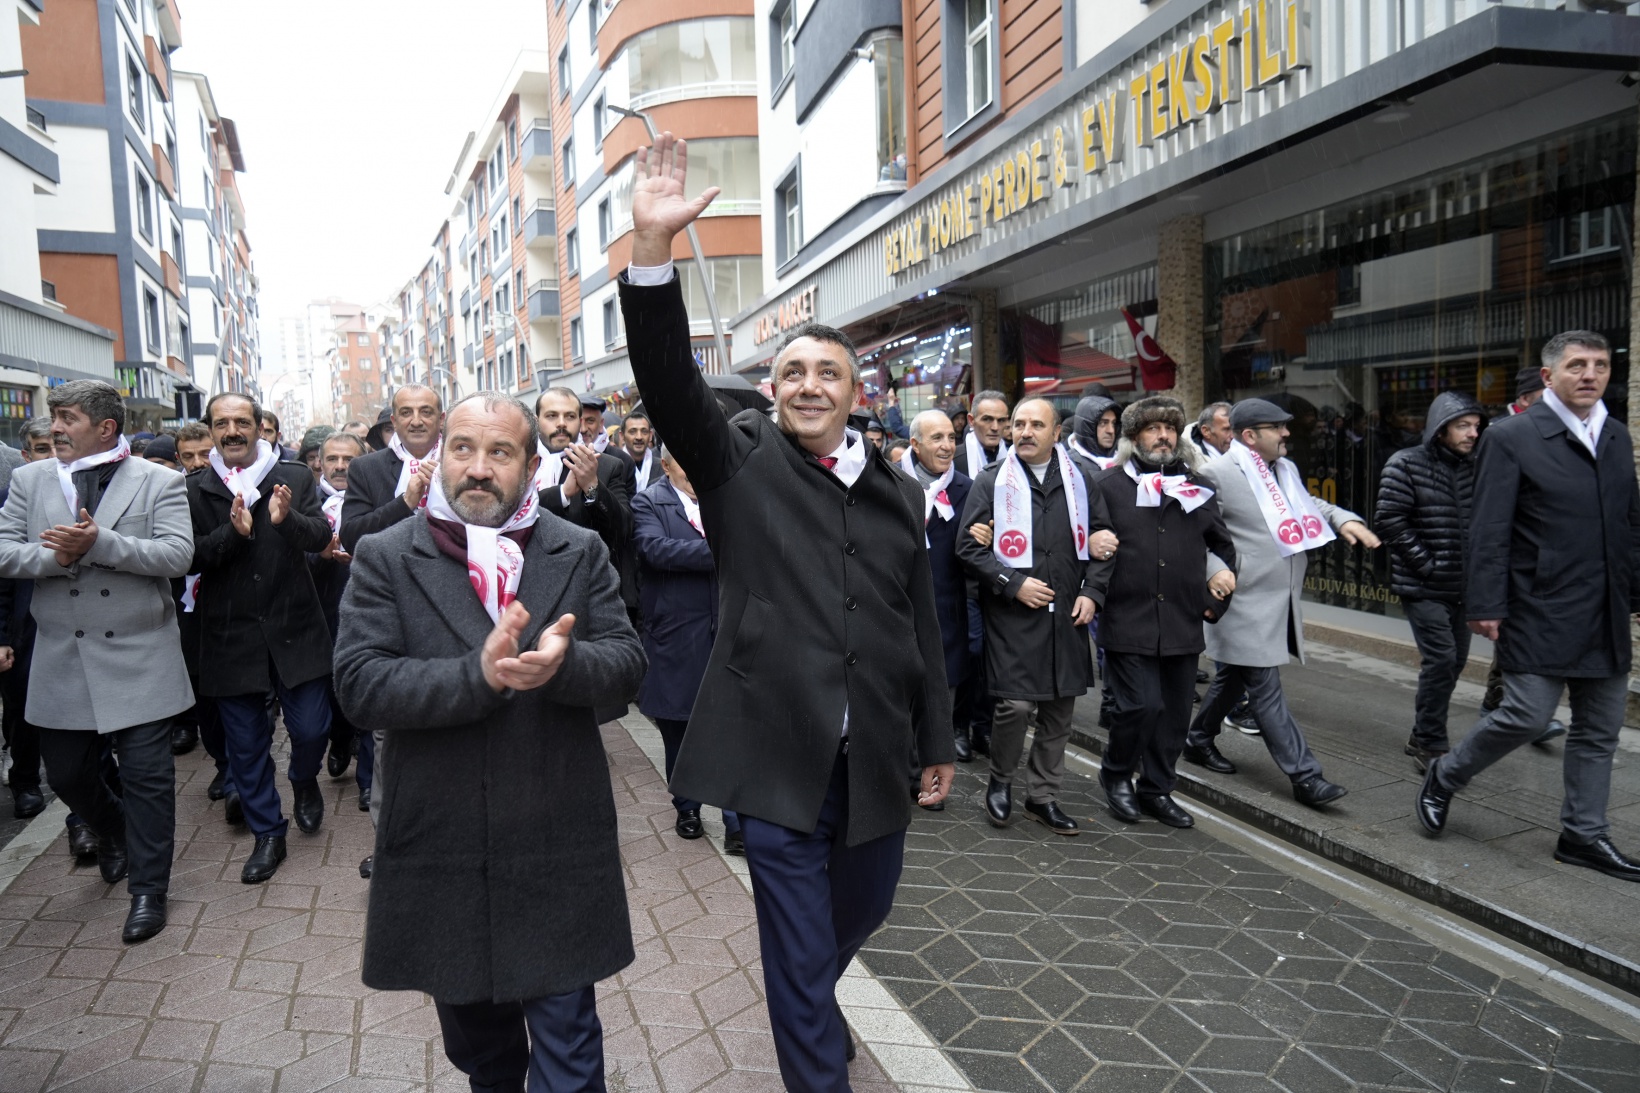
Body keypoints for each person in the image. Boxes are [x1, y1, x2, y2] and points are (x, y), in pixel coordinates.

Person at [619, 132, 954, 1091]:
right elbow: (667, 380)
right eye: (794, 372)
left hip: (875, 758)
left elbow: (920, 623)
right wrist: (653, 251)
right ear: (775, 390)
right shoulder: (738, 458)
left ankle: (811, 995)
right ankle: (815, 1050)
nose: (809, 385)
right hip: (774, 759)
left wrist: (936, 737)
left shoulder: (898, 491)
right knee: (799, 953)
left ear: (855, 393)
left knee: (860, 914)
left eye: (828, 374)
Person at [335, 391, 645, 1090]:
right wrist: (474, 675)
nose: (478, 467)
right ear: (439, 457)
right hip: (442, 842)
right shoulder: (386, 554)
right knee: (483, 1053)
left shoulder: (578, 548)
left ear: (532, 466)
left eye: (500, 452)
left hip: (557, 836)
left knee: (570, 1049)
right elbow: (359, 683)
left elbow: (628, 663)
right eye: (463, 448)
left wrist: (567, 665)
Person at [1418, 331, 1640, 882]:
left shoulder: (1615, 434)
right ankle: (1445, 775)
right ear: (1548, 376)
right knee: (1526, 715)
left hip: (1605, 608)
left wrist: (1635, 591)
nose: (1590, 375)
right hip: (1540, 604)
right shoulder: (1512, 436)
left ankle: (1583, 835)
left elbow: (1630, 520)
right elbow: (1488, 526)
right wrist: (1486, 603)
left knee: (1600, 729)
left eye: (1600, 365)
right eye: (1576, 365)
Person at [0, 381, 194, 943]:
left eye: (67, 418)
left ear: (105, 428)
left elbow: (177, 555)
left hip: (141, 653)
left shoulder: (159, 480)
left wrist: (101, 544)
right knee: (66, 774)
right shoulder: (29, 479)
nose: (55, 427)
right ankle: (114, 831)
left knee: (148, 779)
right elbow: (5, 551)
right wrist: (57, 556)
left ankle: (149, 891)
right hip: (63, 654)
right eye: (54, 417)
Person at [1182, 398, 1372, 807]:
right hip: (1241, 601)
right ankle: (1306, 777)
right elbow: (1194, 533)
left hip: (1278, 597)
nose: (1287, 433)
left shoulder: (1284, 469)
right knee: (1265, 689)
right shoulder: (1215, 473)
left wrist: (1343, 518)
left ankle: (1197, 739)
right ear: (1250, 436)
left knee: (1233, 678)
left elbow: (1306, 504)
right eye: (1278, 427)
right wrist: (1216, 571)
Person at [188, 393, 334, 884]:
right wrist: (233, 534)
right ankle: (268, 834)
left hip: (296, 628)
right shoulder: (194, 488)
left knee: (311, 730)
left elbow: (321, 537)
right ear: (211, 430)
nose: (232, 431)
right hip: (230, 636)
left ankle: (304, 779)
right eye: (221, 423)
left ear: (258, 427)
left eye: (241, 422)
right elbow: (187, 558)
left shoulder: (293, 476)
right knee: (246, 747)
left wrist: (285, 520)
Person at [958, 398, 1108, 835]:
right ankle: (1000, 782)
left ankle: (1042, 797)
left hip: (1066, 615)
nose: (1024, 432)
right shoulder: (991, 481)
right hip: (1013, 617)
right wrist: (1012, 583)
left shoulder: (1081, 480)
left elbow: (1104, 539)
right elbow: (968, 548)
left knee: (1059, 709)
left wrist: (1093, 592)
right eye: (1019, 424)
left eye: (1036, 425)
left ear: (1056, 432)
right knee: (1016, 705)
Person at [1086, 397, 1236, 829]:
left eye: (1169, 429)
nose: (1163, 436)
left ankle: (1156, 789)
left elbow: (1222, 546)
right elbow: (1087, 538)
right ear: (1134, 438)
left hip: (1182, 619)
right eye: (1153, 429)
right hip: (1127, 616)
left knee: (1173, 715)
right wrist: (1092, 547)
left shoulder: (1197, 487)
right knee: (1140, 706)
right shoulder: (1107, 485)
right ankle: (1116, 775)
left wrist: (1215, 600)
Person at [631, 444, 743, 852]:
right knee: (678, 727)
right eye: (684, 463)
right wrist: (721, 551)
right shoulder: (649, 502)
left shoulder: (726, 498)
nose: (694, 471)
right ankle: (688, 807)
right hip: (677, 634)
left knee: (731, 728)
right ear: (665, 465)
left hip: (727, 631)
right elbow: (655, 550)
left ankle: (735, 822)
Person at [1376, 392, 1487, 771]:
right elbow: (1390, 519)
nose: (1472, 433)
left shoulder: (1478, 466)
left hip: (1464, 587)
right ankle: (1430, 742)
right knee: (1441, 659)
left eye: (1476, 426)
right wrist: (1426, 564)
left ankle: (1421, 731)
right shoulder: (1405, 463)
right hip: (1423, 585)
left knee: (1454, 662)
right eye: (1463, 426)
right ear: (1440, 429)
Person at [901, 411, 973, 768]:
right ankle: (905, 771)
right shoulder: (889, 479)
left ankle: (930, 771)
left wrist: (983, 537)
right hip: (899, 609)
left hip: (947, 613)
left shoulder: (966, 489)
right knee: (901, 698)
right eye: (937, 438)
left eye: (951, 438)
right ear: (915, 444)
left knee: (940, 698)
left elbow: (975, 553)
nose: (947, 446)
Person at [535, 388, 635, 621]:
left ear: (579, 422)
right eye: (552, 415)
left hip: (587, 597)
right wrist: (562, 494)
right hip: (531, 593)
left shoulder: (606, 466)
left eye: (569, 416)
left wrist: (592, 486)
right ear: (537, 420)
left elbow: (624, 530)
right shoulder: (520, 465)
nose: (561, 423)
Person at [0, 419, 58, 820]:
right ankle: (25, 782)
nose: (51, 455)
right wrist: (3, 636)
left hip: (75, 621)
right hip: (25, 626)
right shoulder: (10, 500)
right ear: (25, 455)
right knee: (22, 708)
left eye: (57, 445)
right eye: (41, 448)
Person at [310, 433, 371, 805]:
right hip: (321, 610)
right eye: (332, 458)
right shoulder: (306, 500)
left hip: (367, 606)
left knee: (366, 683)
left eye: (349, 459)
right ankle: (340, 736)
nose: (340, 466)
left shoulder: (376, 497)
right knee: (332, 689)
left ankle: (368, 780)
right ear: (320, 462)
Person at [338, 385, 443, 556]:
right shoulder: (365, 468)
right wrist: (404, 503)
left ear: (441, 419)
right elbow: (350, 538)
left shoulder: (461, 464)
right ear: (394, 421)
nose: (416, 421)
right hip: (390, 569)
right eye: (406, 413)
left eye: (426, 412)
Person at [955, 390, 1010, 477]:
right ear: (971, 420)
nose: (995, 427)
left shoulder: (1014, 458)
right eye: (987, 419)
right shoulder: (953, 460)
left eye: (1001, 420)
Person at [623, 411, 659, 493]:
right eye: (632, 432)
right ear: (622, 436)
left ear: (650, 436)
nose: (639, 437)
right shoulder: (616, 466)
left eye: (644, 431)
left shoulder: (662, 467)